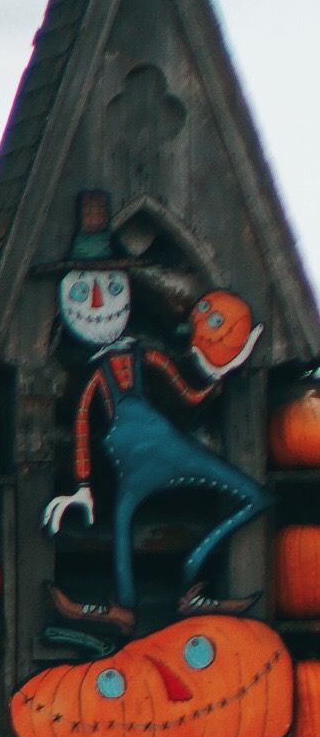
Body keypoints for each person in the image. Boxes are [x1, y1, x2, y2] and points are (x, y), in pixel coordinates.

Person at [40, 189, 267, 634]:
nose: (99, 305)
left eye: (111, 288)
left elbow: (188, 395)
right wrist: (82, 486)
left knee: (255, 496)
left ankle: (192, 579)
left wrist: (221, 372)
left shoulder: (150, 358)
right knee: (122, 527)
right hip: (129, 465)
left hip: (171, 447)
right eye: (84, 291)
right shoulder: (92, 381)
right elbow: (83, 426)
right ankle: (122, 607)